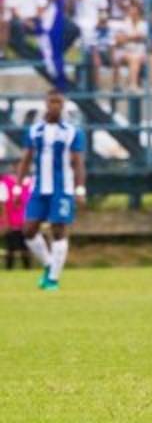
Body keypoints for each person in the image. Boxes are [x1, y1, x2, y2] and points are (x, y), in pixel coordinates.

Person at [16, 90, 85, 291]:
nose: (55, 106)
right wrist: (19, 186)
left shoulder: (72, 132)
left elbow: (78, 162)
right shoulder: (34, 130)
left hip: (62, 188)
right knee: (28, 230)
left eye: (58, 103)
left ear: (63, 106)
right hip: (39, 187)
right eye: (51, 102)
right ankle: (49, 264)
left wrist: (79, 188)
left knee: (58, 229)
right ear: (46, 104)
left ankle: (53, 279)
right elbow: (26, 158)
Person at [1, 172, 31, 270]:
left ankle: (27, 269)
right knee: (11, 247)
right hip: (11, 222)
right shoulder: (5, 183)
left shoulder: (30, 182)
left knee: (25, 247)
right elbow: (3, 204)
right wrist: (5, 222)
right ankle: (9, 269)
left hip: (25, 221)